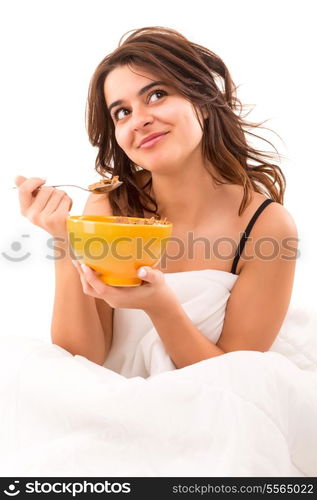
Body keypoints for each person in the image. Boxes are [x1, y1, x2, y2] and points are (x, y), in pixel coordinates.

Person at [14, 26, 298, 371]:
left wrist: (160, 306)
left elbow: (236, 379)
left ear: (203, 102)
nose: (140, 120)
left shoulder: (267, 226)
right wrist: (65, 239)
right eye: (122, 112)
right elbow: (81, 360)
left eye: (156, 95)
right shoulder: (109, 207)